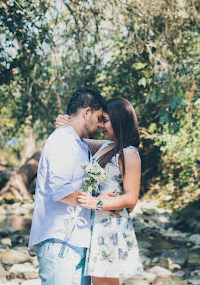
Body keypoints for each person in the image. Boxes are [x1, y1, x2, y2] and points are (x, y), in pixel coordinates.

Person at [55, 97, 143, 285]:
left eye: (105, 120)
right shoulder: (106, 146)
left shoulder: (129, 153)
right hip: (98, 224)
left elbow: (132, 198)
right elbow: (78, 139)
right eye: (100, 119)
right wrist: (67, 123)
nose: (100, 125)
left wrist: (97, 203)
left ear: (119, 120)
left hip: (111, 227)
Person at [28, 87, 105, 285]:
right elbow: (61, 191)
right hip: (58, 239)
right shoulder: (62, 140)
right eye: (99, 118)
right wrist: (97, 203)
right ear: (87, 112)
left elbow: (114, 144)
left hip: (76, 239)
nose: (99, 125)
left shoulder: (79, 143)